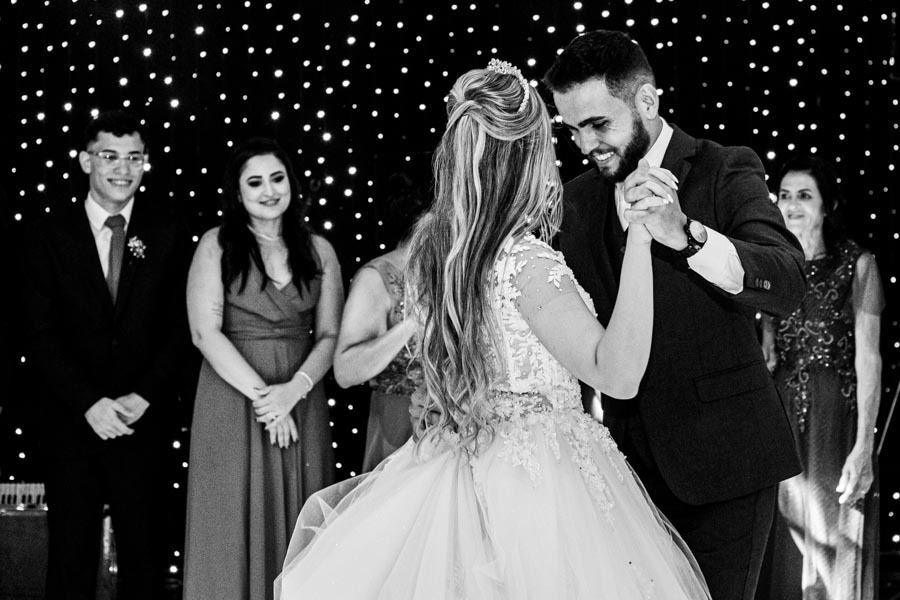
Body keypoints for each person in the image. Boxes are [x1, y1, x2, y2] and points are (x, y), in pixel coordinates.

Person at [275, 60, 711, 599]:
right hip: (540, 485)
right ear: (529, 156)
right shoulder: (525, 265)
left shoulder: (446, 257)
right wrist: (642, 242)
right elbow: (616, 375)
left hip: (463, 466)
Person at [543, 30, 807, 600]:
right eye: (573, 129)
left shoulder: (724, 167)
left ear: (646, 102)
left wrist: (686, 235)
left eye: (598, 124)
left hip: (726, 464)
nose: (586, 143)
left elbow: (786, 281)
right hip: (623, 473)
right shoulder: (574, 200)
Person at [22, 110, 191, 599]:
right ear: (84, 161)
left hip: (144, 422)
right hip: (72, 424)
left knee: (145, 559)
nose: (123, 168)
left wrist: (146, 395)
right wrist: (88, 402)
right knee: (71, 560)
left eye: (134, 157)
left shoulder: (169, 232)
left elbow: (182, 327)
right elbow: (37, 332)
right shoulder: (46, 232)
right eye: (110, 156)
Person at [182, 137, 343, 600]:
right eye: (255, 182)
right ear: (237, 192)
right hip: (233, 398)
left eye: (277, 178)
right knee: (229, 516)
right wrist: (267, 401)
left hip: (301, 394)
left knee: (300, 517)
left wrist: (293, 391)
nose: (269, 190)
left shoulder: (320, 250)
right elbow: (203, 332)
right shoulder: (216, 244)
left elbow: (330, 336)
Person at [758, 156, 883, 600]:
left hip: (835, 415)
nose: (791, 206)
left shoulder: (857, 265)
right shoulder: (772, 264)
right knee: (783, 543)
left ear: (825, 206)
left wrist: (864, 446)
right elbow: (768, 349)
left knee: (834, 542)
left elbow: (870, 359)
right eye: (785, 196)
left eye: (804, 196)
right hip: (781, 414)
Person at [333, 171, 427, 471]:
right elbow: (346, 371)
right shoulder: (377, 277)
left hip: (460, 424)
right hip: (399, 425)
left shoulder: (460, 271)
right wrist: (412, 322)